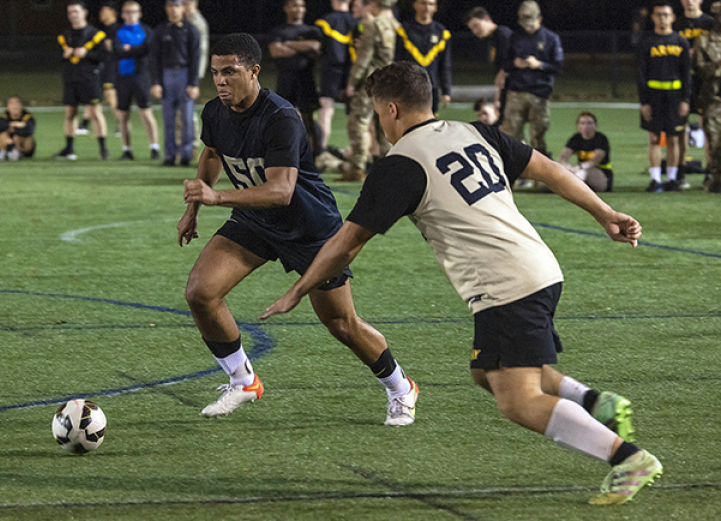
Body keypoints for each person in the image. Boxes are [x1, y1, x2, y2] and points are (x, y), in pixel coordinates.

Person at [261, 61, 663, 506]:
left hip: (506, 284)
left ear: (391, 109)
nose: (378, 124)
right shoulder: (474, 132)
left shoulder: (401, 164)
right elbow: (549, 169)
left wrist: (299, 289)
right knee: (485, 372)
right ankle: (592, 402)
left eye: (377, 114)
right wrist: (605, 213)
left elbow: (346, 245)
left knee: (517, 399)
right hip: (537, 268)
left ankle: (627, 458)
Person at [177, 33, 418, 425]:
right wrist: (193, 210)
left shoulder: (280, 117)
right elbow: (212, 152)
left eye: (230, 72)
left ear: (254, 72)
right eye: (215, 73)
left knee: (341, 324)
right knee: (201, 293)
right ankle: (243, 380)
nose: (220, 81)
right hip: (256, 220)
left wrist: (216, 198)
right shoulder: (215, 111)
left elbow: (282, 191)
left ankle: (400, 387)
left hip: (309, 227)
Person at [500, 0, 563, 189]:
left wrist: (539, 65)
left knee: (538, 137)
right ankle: (517, 176)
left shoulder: (551, 38)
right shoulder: (514, 37)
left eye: (531, 22)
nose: (527, 26)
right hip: (516, 93)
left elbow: (558, 67)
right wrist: (514, 64)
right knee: (512, 137)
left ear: (540, 19)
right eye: (523, 22)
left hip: (539, 94)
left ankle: (541, 179)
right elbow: (504, 62)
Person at [339, 0, 400, 181]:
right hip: (390, 82)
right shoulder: (396, 25)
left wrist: (352, 83)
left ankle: (357, 167)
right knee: (385, 127)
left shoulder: (374, 25)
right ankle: (388, 167)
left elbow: (364, 58)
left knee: (358, 123)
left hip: (371, 82)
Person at [636, 1, 692, 192]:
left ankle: (672, 179)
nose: (662, 18)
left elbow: (686, 74)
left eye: (666, 15)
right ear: (653, 18)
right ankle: (655, 180)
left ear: (673, 17)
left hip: (675, 98)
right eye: (659, 15)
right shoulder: (646, 42)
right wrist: (644, 102)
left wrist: (685, 100)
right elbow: (640, 74)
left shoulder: (680, 41)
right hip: (653, 98)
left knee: (673, 138)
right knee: (654, 138)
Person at [55, 0, 109, 161]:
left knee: (95, 113)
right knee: (70, 113)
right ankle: (69, 148)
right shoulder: (65, 35)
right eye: (70, 12)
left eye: (76, 11)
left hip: (89, 78)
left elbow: (104, 57)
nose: (72, 15)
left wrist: (87, 54)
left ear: (84, 12)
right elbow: (56, 57)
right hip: (71, 78)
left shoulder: (95, 34)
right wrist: (63, 56)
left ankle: (103, 148)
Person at [268, 0, 324, 156]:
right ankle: (287, 156)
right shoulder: (279, 31)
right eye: (294, 5)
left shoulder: (312, 30)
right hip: (286, 80)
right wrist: (302, 47)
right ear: (286, 8)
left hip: (306, 79)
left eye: (301, 5)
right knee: (284, 120)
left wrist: (289, 45)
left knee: (308, 120)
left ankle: (314, 158)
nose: (299, 9)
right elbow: (275, 51)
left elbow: (315, 46)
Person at [151, 0, 201, 167]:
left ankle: (186, 155)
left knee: (187, 117)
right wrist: (156, 82)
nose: (174, 10)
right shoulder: (160, 30)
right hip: (167, 74)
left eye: (177, 6)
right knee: (168, 118)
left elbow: (196, 58)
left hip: (184, 74)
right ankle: (170, 155)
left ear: (183, 8)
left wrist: (193, 83)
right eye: (171, 6)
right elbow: (154, 58)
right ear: (166, 8)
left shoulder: (190, 30)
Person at [112, 0, 160, 160]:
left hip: (141, 76)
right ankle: (127, 150)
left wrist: (130, 49)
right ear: (122, 14)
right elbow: (118, 51)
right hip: (123, 77)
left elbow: (149, 49)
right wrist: (136, 49)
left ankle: (154, 147)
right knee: (123, 116)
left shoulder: (147, 31)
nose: (130, 14)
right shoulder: (118, 32)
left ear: (139, 14)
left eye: (133, 11)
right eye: (127, 11)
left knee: (146, 112)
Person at [674, 0, 714, 189]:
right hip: (681, 83)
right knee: (680, 129)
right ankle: (680, 173)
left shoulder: (709, 22)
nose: (690, 1)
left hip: (704, 82)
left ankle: (710, 172)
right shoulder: (676, 24)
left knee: (708, 128)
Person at [314, 0, 357, 161]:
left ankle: (321, 150)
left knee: (326, 110)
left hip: (331, 71)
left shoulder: (325, 22)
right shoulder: (357, 21)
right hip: (354, 73)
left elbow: (318, 48)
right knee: (359, 115)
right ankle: (358, 152)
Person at [395, 0, 451, 115]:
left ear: (435, 8)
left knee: (430, 125)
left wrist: (446, 91)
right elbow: (397, 61)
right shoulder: (403, 30)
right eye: (423, 3)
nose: (426, 7)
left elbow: (445, 64)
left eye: (431, 4)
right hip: (408, 86)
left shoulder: (442, 32)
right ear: (414, 5)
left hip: (431, 87)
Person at [464, 7, 512, 125]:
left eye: (476, 25)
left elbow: (509, 62)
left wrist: (501, 92)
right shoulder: (494, 38)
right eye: (472, 29)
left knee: (508, 126)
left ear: (486, 19)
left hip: (515, 88)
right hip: (508, 88)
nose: (475, 31)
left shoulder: (502, 34)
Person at [693, 0, 721, 193]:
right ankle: (716, 178)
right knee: (715, 141)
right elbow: (700, 69)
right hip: (714, 98)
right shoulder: (703, 40)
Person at [179, 0, 210, 157]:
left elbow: (198, 52)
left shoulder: (196, 23)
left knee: (187, 110)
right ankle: (183, 145)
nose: (182, 7)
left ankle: (191, 145)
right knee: (182, 110)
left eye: (185, 3)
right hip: (186, 71)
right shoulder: (185, 21)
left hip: (190, 72)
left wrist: (194, 77)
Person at [558, 111, 614, 192]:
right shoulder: (576, 138)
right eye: (582, 123)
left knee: (583, 173)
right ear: (578, 126)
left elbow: (596, 159)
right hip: (580, 171)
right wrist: (565, 165)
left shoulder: (601, 139)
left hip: (600, 173)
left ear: (595, 126)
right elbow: (565, 155)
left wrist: (580, 167)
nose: (586, 126)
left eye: (590, 123)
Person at [0, 96, 36, 161]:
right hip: (9, 143)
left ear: (21, 106)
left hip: (23, 146)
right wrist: (13, 124)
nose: (14, 106)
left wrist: (12, 129)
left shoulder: (27, 117)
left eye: (17, 103)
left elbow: (28, 130)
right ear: (8, 107)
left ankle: (16, 152)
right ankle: (5, 152)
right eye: (12, 104)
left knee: (18, 137)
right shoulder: (4, 116)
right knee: (3, 135)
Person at [99, 1, 120, 116]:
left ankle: (122, 123)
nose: (101, 14)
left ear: (112, 12)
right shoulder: (104, 30)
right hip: (104, 67)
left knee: (110, 95)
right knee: (97, 95)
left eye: (104, 11)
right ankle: (85, 123)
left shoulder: (118, 29)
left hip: (113, 68)